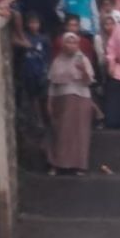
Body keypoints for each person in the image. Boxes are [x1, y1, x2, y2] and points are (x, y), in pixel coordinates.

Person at [45, 32, 95, 175]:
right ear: (63, 44)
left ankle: (79, 165)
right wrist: (49, 102)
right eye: (68, 42)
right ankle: (56, 164)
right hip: (61, 101)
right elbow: (52, 84)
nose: (71, 45)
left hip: (80, 99)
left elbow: (88, 81)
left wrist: (83, 71)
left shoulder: (83, 59)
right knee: (60, 133)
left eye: (74, 42)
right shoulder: (57, 61)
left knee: (80, 133)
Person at [15, 14, 52, 126]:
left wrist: (48, 70)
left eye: (36, 23)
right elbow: (13, 40)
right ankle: (38, 120)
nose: (34, 25)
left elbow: (48, 56)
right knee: (33, 98)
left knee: (45, 97)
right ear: (27, 24)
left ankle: (49, 119)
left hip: (41, 71)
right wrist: (25, 45)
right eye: (31, 23)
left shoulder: (44, 38)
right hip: (29, 71)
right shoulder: (24, 37)